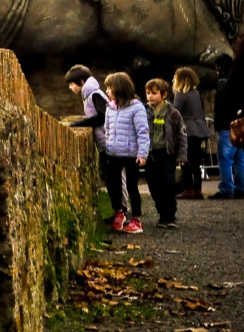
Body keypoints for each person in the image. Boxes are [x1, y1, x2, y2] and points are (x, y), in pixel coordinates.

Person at [67, 65, 128, 212]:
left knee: (117, 179)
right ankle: (118, 212)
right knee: (110, 179)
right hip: (104, 143)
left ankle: (124, 210)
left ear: (81, 82)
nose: (70, 88)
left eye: (71, 84)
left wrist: (79, 124)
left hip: (109, 142)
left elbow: (101, 117)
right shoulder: (90, 95)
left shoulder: (94, 95)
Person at [102, 71, 149, 234]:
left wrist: (142, 154)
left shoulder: (137, 108)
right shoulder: (110, 108)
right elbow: (107, 129)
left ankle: (136, 219)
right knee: (114, 185)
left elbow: (143, 131)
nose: (107, 91)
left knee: (132, 186)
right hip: (114, 153)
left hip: (131, 154)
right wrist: (108, 145)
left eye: (109, 88)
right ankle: (119, 212)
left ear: (119, 88)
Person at [143, 78, 187, 228]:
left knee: (168, 183)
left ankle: (170, 215)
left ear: (164, 95)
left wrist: (182, 156)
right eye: (148, 93)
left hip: (167, 153)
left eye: (154, 93)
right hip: (150, 153)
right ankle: (162, 213)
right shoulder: (144, 112)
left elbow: (181, 135)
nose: (150, 96)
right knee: (153, 184)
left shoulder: (173, 114)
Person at [173, 67, 210, 199]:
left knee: (184, 159)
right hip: (200, 129)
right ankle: (198, 189)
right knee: (196, 162)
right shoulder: (196, 93)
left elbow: (175, 112)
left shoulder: (181, 94)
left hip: (187, 131)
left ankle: (189, 188)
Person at [212, 55, 243, 199]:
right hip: (239, 124)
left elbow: (224, 104)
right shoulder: (238, 80)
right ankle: (241, 187)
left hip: (226, 126)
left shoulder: (223, 83)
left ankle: (226, 188)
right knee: (239, 159)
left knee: (225, 158)